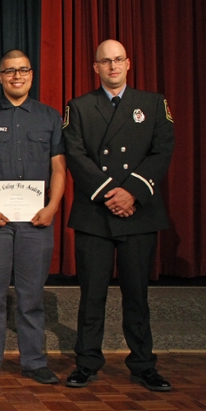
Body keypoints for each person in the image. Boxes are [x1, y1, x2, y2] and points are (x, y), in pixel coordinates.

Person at [63, 39, 174, 392]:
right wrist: (110, 193)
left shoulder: (153, 103)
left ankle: (143, 364)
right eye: (105, 61)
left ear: (128, 63)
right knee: (91, 294)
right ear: (95, 67)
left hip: (138, 212)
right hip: (96, 212)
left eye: (118, 60)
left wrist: (133, 193)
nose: (113, 66)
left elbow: (162, 151)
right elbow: (76, 155)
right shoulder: (79, 107)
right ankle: (87, 362)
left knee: (137, 296)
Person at [0, 50, 66, 384]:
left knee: (31, 294)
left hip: (36, 221)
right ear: (0, 76)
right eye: (9, 71)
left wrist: (52, 207)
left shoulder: (50, 117)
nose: (16, 76)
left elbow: (59, 167)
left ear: (32, 74)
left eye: (23, 70)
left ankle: (35, 361)